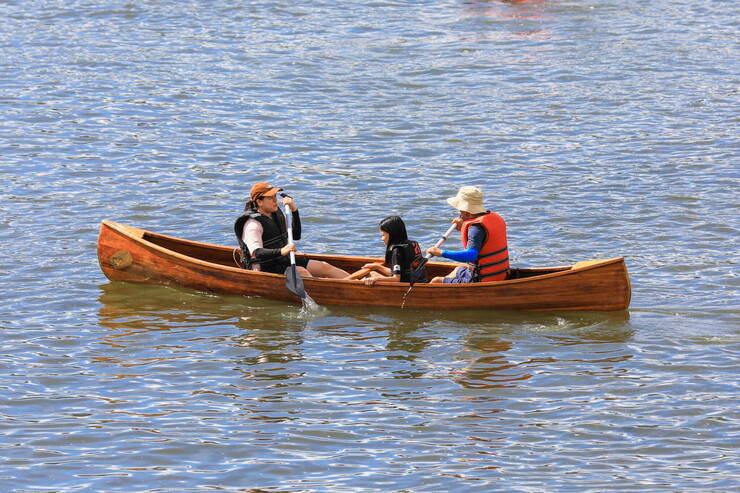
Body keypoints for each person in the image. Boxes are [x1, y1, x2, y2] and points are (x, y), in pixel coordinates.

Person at [234, 182, 350, 279]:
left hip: (283, 260)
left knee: (323, 266)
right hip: (264, 268)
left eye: (275, 196)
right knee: (301, 272)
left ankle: (356, 282)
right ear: (259, 202)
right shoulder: (252, 224)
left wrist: (294, 211)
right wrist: (282, 251)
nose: (275, 201)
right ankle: (325, 292)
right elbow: (256, 253)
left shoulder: (275, 215)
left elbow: (296, 235)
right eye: (270, 198)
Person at [425, 186, 510, 284]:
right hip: (501, 274)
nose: (459, 214)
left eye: (460, 212)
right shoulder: (495, 218)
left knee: (436, 281)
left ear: (468, 214)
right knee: (458, 269)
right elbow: (485, 240)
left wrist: (440, 252)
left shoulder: (475, 228)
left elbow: (470, 255)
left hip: (483, 280)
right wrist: (463, 228)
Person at [359, 216, 428, 286]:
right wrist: (377, 267)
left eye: (383, 235)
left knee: (370, 276)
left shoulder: (397, 250)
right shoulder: (414, 244)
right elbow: (400, 273)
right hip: (420, 282)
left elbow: (396, 279)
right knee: (372, 273)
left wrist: (376, 279)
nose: (382, 239)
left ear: (391, 234)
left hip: (408, 287)